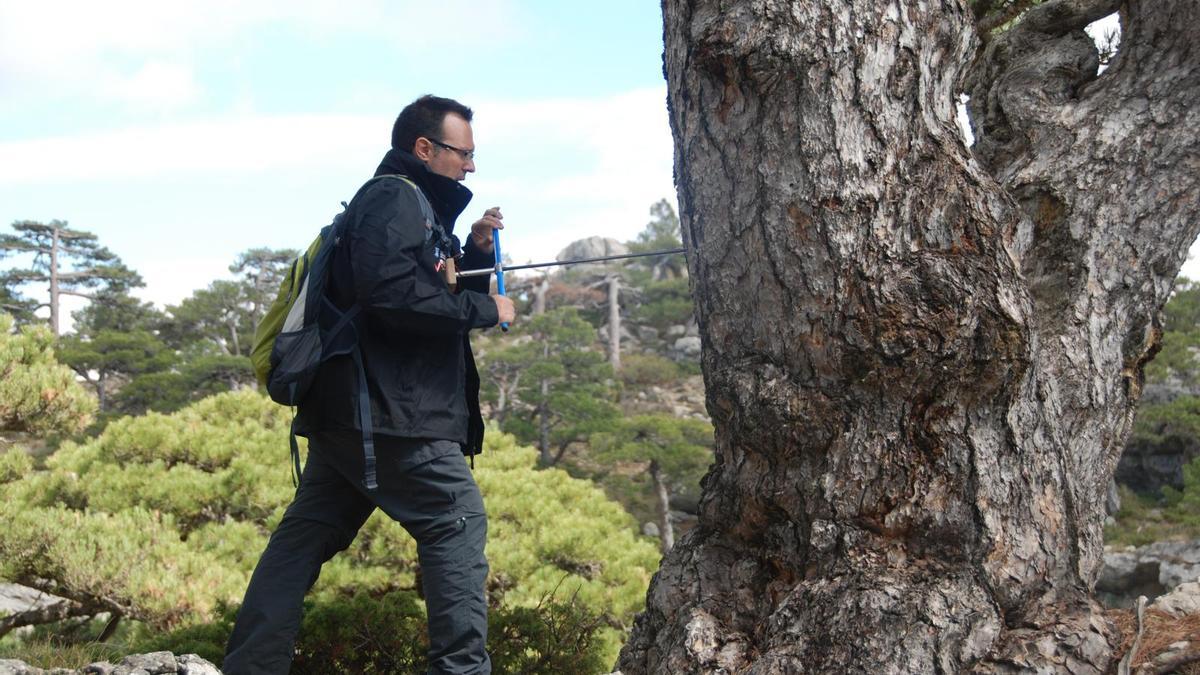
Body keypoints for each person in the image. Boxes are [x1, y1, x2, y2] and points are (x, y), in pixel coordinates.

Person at [223, 95, 515, 675]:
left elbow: (418, 290)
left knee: (302, 540)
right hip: (390, 416)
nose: (471, 166)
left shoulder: (411, 205)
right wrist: (487, 309)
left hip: (353, 415)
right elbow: (392, 298)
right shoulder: (391, 198)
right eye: (463, 153)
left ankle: (251, 666)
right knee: (455, 519)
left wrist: (475, 250)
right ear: (424, 148)